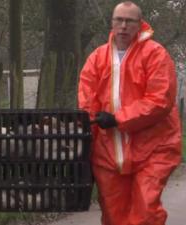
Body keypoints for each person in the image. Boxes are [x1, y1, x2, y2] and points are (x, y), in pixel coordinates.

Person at [78, 1, 181, 225]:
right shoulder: (97, 58)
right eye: (119, 20)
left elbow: (160, 99)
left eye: (129, 21)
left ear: (139, 24)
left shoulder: (155, 55)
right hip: (108, 150)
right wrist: (86, 142)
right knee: (114, 215)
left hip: (153, 147)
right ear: (112, 22)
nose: (123, 26)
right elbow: (87, 102)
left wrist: (118, 118)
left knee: (146, 211)